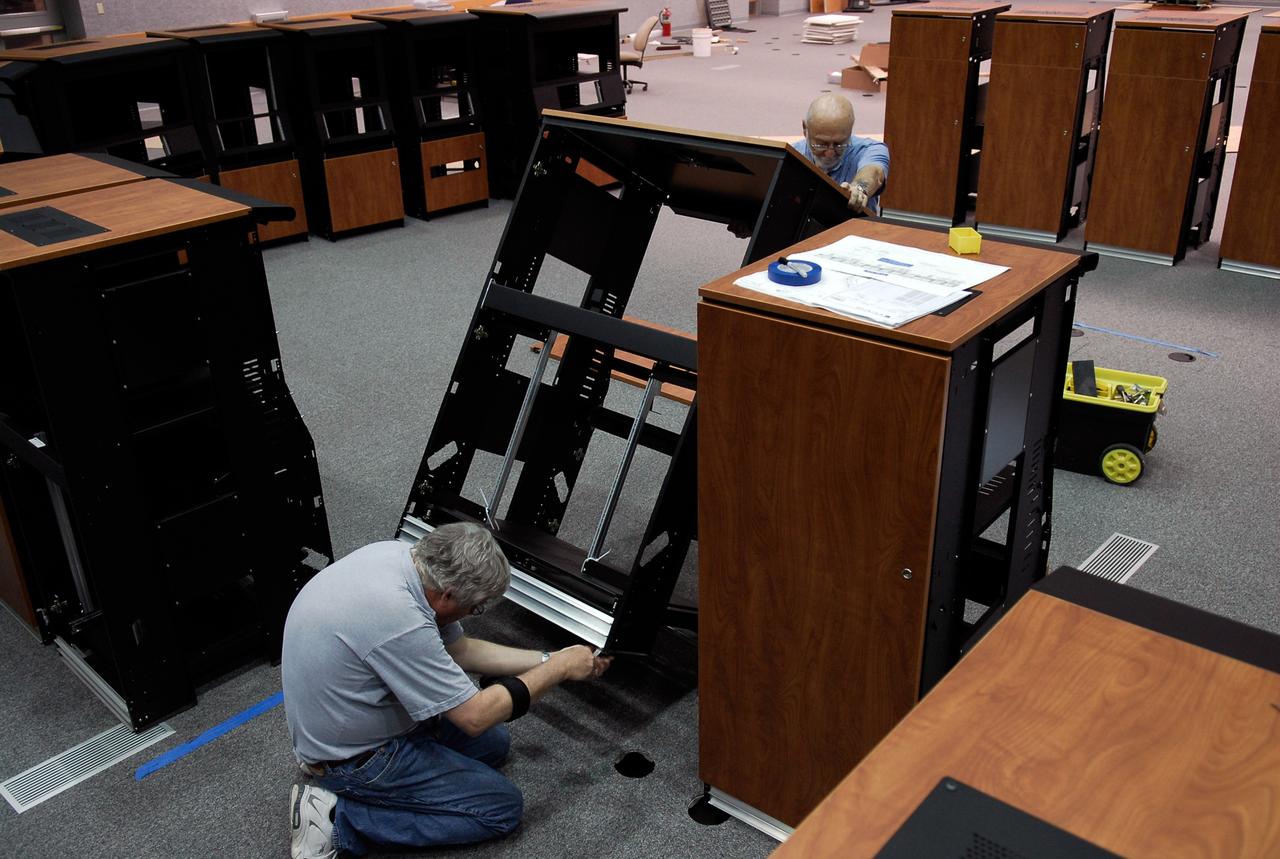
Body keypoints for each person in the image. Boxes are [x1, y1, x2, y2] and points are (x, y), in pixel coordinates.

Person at [282, 522, 612, 858]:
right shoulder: (400, 620)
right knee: (501, 809)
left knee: (494, 745)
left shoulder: (404, 559)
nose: (473, 614)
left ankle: (354, 782)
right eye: (476, 607)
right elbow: (476, 716)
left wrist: (548, 658)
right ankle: (338, 818)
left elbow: (461, 650)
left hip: (346, 717)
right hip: (353, 757)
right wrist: (559, 670)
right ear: (448, 595)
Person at [795, 93, 890, 215]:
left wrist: (859, 190)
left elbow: (875, 172)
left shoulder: (871, 149)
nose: (829, 153)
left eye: (839, 144)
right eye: (821, 144)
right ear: (805, 129)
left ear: (850, 132)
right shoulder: (792, 154)